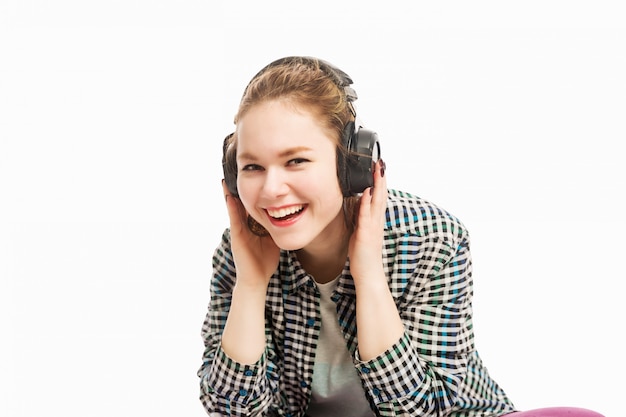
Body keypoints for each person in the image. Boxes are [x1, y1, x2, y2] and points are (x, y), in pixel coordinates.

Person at [197, 56, 604, 417]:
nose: (270, 191)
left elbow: (422, 412)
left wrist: (369, 276)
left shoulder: (432, 238)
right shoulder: (239, 250)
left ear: (350, 163)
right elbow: (230, 409)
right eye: (252, 167)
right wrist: (250, 284)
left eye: (296, 161)